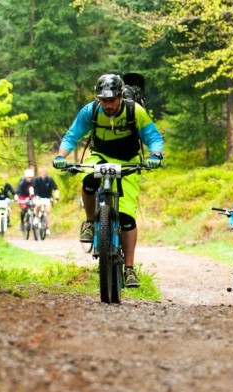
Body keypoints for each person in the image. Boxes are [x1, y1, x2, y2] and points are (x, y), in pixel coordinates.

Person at [53, 73, 164, 288]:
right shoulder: (91, 110)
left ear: (121, 96)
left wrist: (155, 156)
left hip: (129, 162)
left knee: (127, 217)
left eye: (112, 100)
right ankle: (90, 222)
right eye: (104, 100)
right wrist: (61, 156)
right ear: (98, 99)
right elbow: (72, 135)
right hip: (101, 157)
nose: (108, 105)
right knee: (88, 180)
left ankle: (129, 269)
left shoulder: (135, 111)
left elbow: (153, 137)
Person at [32, 167, 60, 235]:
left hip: (47, 198)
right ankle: (36, 216)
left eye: (45, 173)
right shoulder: (37, 180)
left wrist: (56, 197)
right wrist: (32, 194)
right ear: (40, 173)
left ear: (47, 173)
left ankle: (47, 228)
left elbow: (56, 189)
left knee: (48, 211)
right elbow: (32, 187)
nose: (43, 174)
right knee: (38, 205)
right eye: (42, 173)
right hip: (39, 197)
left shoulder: (50, 179)